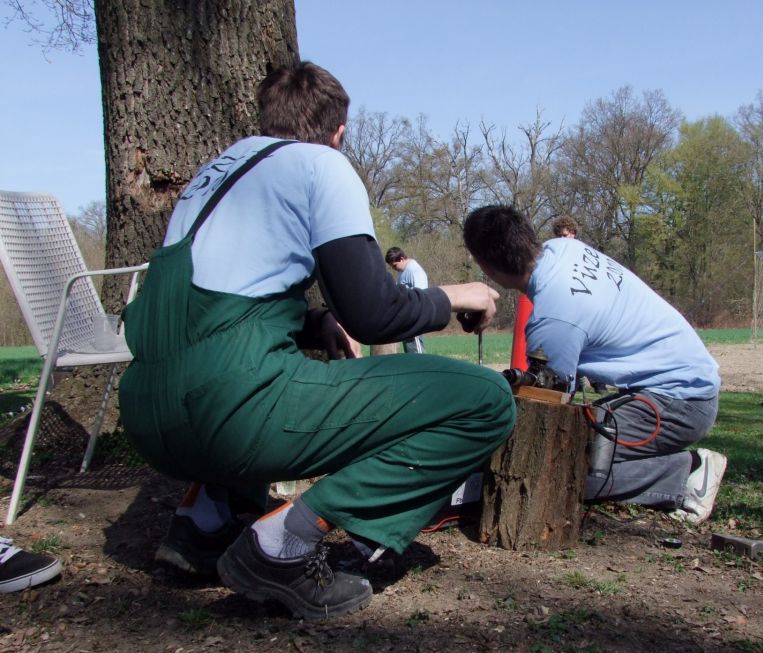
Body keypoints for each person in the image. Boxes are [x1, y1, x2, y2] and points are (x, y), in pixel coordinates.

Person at [118, 62, 516, 621]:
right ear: (339, 133)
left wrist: (312, 323)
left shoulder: (218, 172)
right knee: (486, 401)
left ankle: (203, 523)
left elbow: (210, 307)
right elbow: (376, 314)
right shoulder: (321, 165)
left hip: (147, 418)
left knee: (250, 366)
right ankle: (283, 544)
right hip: (225, 418)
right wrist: (458, 295)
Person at [463, 205, 726, 524]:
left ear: (486, 266)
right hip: (684, 383)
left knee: (559, 469)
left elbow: (547, 409)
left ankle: (685, 475)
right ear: (528, 233)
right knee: (571, 451)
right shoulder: (564, 248)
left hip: (680, 403)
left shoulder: (553, 320)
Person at [385, 247, 429, 353]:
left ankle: (422, 369)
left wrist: (414, 317)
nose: (394, 268)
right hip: (406, 317)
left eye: (394, 265)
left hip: (414, 317)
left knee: (416, 351)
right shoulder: (403, 270)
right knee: (410, 350)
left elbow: (421, 295)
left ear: (401, 258)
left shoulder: (414, 270)